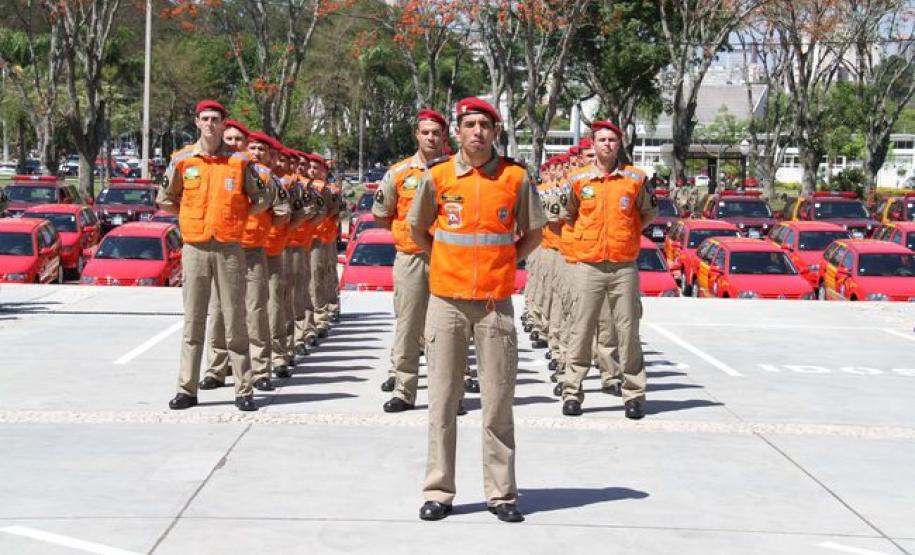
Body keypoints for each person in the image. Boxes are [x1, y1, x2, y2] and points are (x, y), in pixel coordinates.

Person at [409, 97, 545, 523]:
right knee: (442, 401)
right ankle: (439, 491)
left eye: (485, 125)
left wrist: (505, 262)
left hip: (494, 305)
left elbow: (534, 232)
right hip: (446, 302)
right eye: (470, 124)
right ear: (458, 131)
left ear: (495, 131)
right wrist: (443, 262)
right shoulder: (438, 176)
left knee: (498, 402)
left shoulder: (514, 178)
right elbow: (417, 228)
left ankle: (501, 494)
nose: (477, 132)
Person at [157, 100, 269, 412]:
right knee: (193, 320)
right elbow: (165, 198)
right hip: (195, 247)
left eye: (215, 119)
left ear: (223, 123)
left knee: (235, 319)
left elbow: (261, 199)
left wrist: (238, 216)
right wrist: (189, 216)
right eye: (204, 119)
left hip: (229, 248)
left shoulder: (240, 162)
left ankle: (243, 389)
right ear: (196, 122)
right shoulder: (182, 160)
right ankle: (186, 389)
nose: (209, 124)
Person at [559, 120, 658, 419]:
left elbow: (648, 212)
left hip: (623, 266)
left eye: (612, 140)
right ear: (593, 143)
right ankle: (572, 391)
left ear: (619, 144)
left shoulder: (635, 179)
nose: (607, 145)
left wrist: (628, 234)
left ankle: (634, 393)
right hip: (588, 265)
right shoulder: (577, 179)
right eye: (602, 140)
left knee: (628, 330)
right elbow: (568, 214)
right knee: (581, 328)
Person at [200, 124, 291, 393]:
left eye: (239, 139)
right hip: (223, 249)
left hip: (251, 251)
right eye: (229, 138)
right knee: (219, 312)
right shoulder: (215, 169)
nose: (233, 143)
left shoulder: (263, 175)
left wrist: (261, 230)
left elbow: (282, 211)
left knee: (255, 311)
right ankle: (216, 368)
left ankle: (260, 371)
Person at [372, 108, 447, 412]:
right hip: (412, 258)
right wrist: (406, 234)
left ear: (444, 137)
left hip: (447, 258)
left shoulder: (456, 171)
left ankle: (449, 394)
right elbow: (381, 214)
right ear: (417, 135)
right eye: (425, 132)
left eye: (436, 133)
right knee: (408, 324)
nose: (431, 138)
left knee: (448, 327)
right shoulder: (399, 173)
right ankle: (404, 389)